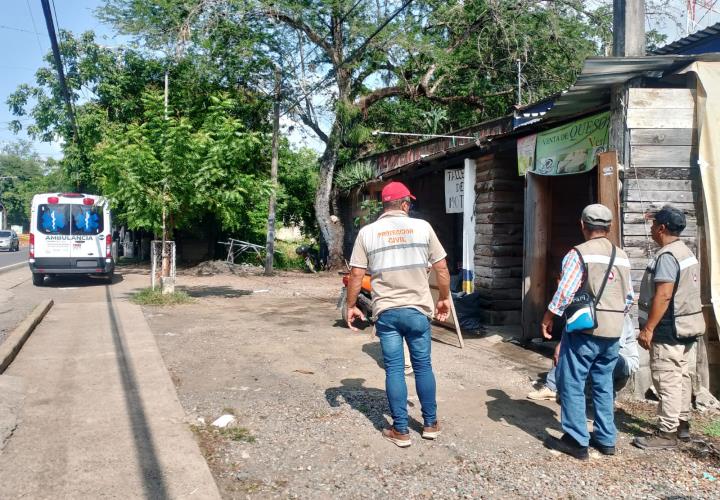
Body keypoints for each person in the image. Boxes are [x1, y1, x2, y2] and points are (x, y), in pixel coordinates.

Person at [346, 181, 451, 448]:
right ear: (404, 205)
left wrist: (351, 305)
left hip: (388, 312)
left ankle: (401, 430)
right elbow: (442, 268)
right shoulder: (423, 227)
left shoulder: (367, 233)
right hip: (417, 310)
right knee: (423, 366)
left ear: (385, 205)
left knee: (394, 369)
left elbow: (356, 274)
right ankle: (430, 424)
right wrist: (445, 299)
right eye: (410, 204)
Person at [541, 204, 633, 460]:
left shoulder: (578, 254)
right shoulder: (623, 256)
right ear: (610, 227)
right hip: (614, 330)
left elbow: (565, 292)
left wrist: (549, 316)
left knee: (572, 381)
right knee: (603, 383)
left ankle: (576, 440)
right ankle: (606, 439)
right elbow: (629, 299)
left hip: (585, 329)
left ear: (582, 225)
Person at [632, 206, 706, 449]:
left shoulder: (667, 256)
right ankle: (682, 425)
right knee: (682, 376)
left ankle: (667, 433)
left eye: (654, 225)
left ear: (662, 228)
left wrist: (648, 328)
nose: (651, 229)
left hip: (669, 328)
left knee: (667, 378)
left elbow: (663, 295)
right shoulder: (687, 252)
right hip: (688, 325)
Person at [528, 314, 639, 401]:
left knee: (594, 356)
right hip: (601, 352)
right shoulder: (594, 313)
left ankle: (605, 399)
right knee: (571, 349)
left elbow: (613, 348)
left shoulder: (621, 316)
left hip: (622, 360)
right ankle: (552, 387)